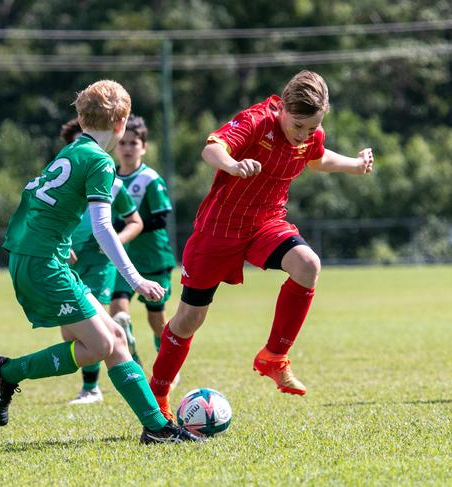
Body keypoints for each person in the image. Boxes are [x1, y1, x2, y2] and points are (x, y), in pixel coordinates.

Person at [0, 80, 203, 444]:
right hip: (42, 263)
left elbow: (33, 197)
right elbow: (102, 226)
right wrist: (135, 280)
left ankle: (157, 428)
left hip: (40, 256)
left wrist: (56, 242)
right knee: (99, 344)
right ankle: (6, 371)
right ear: (121, 124)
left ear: (81, 120)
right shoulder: (100, 161)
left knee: (115, 338)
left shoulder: (72, 150)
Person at [148, 70, 374, 419]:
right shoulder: (257, 121)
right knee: (189, 319)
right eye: (298, 126)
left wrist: (356, 165)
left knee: (308, 265)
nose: (303, 135)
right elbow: (212, 149)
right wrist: (233, 165)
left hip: (265, 224)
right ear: (281, 107)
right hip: (218, 230)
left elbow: (317, 156)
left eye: (311, 129)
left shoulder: (309, 135)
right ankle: (158, 395)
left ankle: (274, 356)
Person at [59, 117, 144, 405]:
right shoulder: (63, 185)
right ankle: (122, 332)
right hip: (68, 267)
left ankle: (91, 389)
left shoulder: (112, 183)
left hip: (98, 264)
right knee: (69, 333)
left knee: (92, 327)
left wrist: (113, 242)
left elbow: (135, 222)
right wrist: (60, 246)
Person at [109, 115, 177, 376]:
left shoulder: (150, 179)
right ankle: (132, 358)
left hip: (153, 259)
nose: (127, 148)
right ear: (115, 146)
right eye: (122, 143)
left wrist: (127, 227)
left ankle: (167, 362)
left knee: (156, 319)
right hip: (121, 257)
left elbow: (160, 217)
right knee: (118, 314)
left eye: (133, 143)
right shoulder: (108, 178)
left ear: (143, 147)